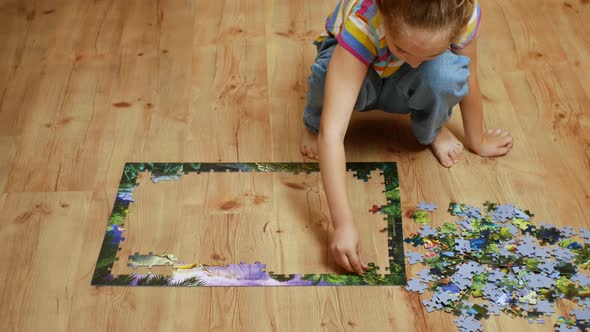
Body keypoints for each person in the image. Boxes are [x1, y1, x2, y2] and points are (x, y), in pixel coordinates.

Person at [300, 0, 513, 274]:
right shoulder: (365, 23)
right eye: (402, 48)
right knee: (326, 77)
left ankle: (431, 126)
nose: (412, 62)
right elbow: (333, 134)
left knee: (448, 74)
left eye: (428, 54)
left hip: (394, 68)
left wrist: (478, 139)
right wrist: (343, 225)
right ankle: (311, 121)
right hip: (355, 61)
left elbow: (468, 77)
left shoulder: (463, 15)